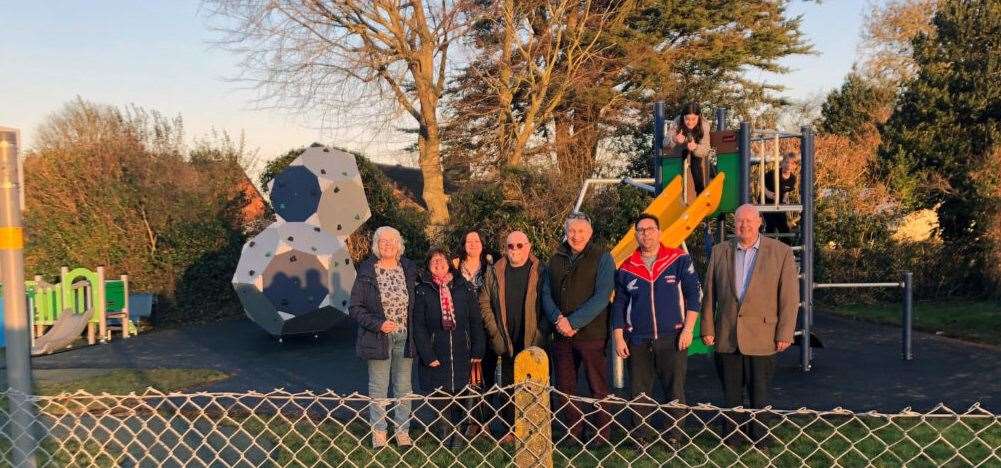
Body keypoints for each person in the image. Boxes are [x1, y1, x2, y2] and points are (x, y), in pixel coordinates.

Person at [701, 204, 800, 448]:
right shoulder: (719, 251)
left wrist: (785, 332)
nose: (743, 225)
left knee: (760, 392)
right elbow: (709, 293)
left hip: (764, 336)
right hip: (727, 334)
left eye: (748, 221)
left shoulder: (781, 252)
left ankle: (760, 437)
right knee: (731, 393)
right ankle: (732, 437)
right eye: (739, 221)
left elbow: (789, 297)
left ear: (759, 222)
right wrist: (707, 328)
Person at [611, 214, 702, 447]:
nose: (646, 234)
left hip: (672, 336)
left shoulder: (679, 259)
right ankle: (641, 435)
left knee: (674, 389)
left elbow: (693, 296)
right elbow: (619, 304)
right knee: (639, 391)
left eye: (650, 229)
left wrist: (688, 329)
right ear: (636, 235)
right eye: (641, 230)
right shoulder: (626, 267)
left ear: (659, 232)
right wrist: (619, 337)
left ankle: (673, 436)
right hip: (638, 339)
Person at [541, 212, 615, 446]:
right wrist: (558, 319)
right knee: (565, 386)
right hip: (561, 334)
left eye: (581, 231)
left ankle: (601, 433)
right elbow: (545, 293)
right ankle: (574, 431)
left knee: (597, 385)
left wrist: (573, 322)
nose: (576, 236)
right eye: (572, 231)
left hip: (592, 333)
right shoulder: (555, 258)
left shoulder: (602, 257)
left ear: (590, 233)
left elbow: (602, 296)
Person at [348, 226, 419, 449]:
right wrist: (378, 324)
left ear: (399, 245)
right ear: (377, 245)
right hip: (378, 338)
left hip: (405, 337)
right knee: (379, 387)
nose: (387, 244)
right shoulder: (368, 271)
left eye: (391, 241)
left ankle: (402, 431)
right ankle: (379, 432)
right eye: (382, 241)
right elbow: (355, 307)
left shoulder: (407, 269)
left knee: (404, 387)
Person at [412, 248, 485, 450]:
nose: (438, 263)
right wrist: (427, 354)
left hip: (464, 350)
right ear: (428, 266)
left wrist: (478, 348)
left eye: (442, 260)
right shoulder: (423, 290)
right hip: (437, 351)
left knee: (464, 393)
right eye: (433, 261)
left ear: (449, 263)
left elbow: (475, 321)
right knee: (440, 395)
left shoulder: (464, 287)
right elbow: (418, 326)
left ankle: (460, 438)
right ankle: (445, 434)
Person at [479, 230, 545, 444]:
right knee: (508, 387)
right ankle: (511, 429)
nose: (515, 250)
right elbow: (485, 302)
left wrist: (540, 335)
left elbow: (548, 304)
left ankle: (534, 429)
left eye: (519, 245)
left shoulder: (540, 270)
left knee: (534, 386)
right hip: (506, 340)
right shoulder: (495, 270)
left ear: (529, 246)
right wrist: (496, 334)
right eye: (510, 246)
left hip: (533, 339)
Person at [450, 230, 496, 439]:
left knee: (484, 376)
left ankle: (483, 423)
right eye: (469, 241)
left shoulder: (490, 267)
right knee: (465, 377)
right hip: (461, 328)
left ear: (482, 244)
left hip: (485, 327)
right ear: (463, 244)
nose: (473, 244)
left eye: (477, 240)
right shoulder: (455, 267)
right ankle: (467, 421)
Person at [665, 102, 713, 194]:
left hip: (696, 148)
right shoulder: (677, 121)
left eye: (693, 119)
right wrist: (675, 139)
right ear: (683, 117)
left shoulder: (704, 125)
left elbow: (706, 149)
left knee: (696, 161)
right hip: (681, 148)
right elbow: (665, 142)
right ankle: (676, 191)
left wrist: (696, 147)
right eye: (687, 119)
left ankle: (700, 191)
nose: (690, 122)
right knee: (677, 159)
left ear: (698, 117)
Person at [762, 152, 801, 235]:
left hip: (779, 204)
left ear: (795, 166)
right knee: (770, 226)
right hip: (767, 203)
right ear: (782, 163)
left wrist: (783, 202)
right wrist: (767, 192)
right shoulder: (773, 173)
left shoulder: (792, 178)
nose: (788, 165)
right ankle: (769, 245)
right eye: (786, 162)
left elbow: (786, 191)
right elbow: (761, 182)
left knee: (784, 228)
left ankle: (786, 246)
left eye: (792, 163)